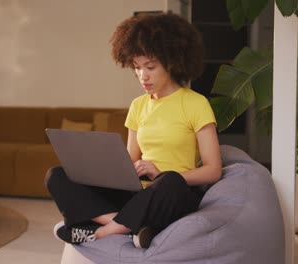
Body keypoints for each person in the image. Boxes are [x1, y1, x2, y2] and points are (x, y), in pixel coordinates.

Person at [45, 12, 222, 249]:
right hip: (138, 195)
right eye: (137, 67)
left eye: (150, 67)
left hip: (172, 194)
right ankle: (128, 226)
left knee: (171, 181)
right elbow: (131, 160)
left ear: (172, 62)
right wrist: (101, 171)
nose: (142, 75)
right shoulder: (138, 105)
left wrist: (160, 173)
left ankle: (100, 231)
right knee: (57, 174)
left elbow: (213, 170)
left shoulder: (195, 103)